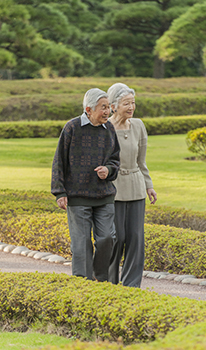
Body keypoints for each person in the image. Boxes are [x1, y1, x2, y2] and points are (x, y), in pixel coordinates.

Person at [51, 88, 120, 282]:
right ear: (88, 109)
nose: (108, 112)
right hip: (78, 197)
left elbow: (115, 160)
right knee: (81, 245)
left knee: (107, 238)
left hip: (104, 194)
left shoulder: (109, 129)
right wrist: (60, 192)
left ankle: (99, 278)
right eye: (103, 108)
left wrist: (108, 170)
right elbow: (59, 161)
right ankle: (82, 283)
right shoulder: (72, 128)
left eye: (108, 107)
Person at [107, 83, 157, 288]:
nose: (131, 107)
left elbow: (141, 161)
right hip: (114, 189)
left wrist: (149, 185)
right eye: (126, 103)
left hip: (136, 186)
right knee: (116, 237)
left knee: (136, 238)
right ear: (113, 106)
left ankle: (132, 286)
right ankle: (109, 282)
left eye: (133, 103)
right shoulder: (105, 128)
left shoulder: (138, 125)